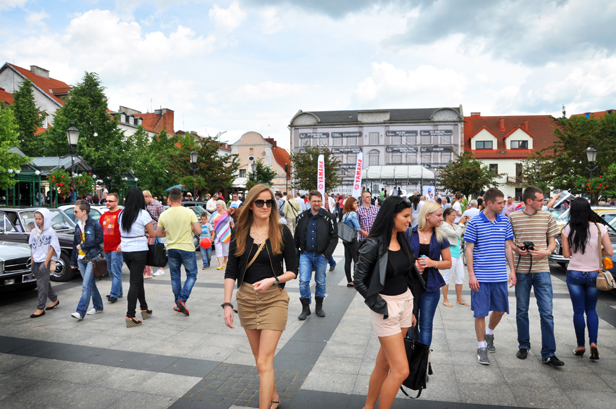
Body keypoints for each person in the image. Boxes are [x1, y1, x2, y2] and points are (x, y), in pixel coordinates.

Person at [223, 184, 298, 409]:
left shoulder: (282, 231)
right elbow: (231, 271)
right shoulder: (240, 232)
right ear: (250, 205)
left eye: (269, 202)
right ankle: (273, 397)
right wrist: (227, 304)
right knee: (260, 361)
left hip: (274, 299)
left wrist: (273, 280)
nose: (265, 206)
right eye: (260, 202)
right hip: (246, 299)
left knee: (264, 361)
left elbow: (293, 270)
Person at [354, 197, 425, 409]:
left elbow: (404, 275)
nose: (409, 220)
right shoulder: (373, 244)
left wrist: (409, 308)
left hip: (405, 304)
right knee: (401, 370)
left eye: (409, 215)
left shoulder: (402, 239)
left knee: (384, 363)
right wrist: (380, 306)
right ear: (390, 217)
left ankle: (368, 407)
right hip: (386, 308)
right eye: (405, 216)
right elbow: (359, 280)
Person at [508, 186, 563, 366]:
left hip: (542, 270)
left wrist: (545, 252)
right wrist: (517, 249)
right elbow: (508, 242)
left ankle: (549, 352)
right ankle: (523, 345)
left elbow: (553, 243)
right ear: (529, 201)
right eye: (540, 200)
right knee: (522, 310)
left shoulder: (547, 216)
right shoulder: (513, 218)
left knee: (547, 312)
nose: (544, 202)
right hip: (522, 270)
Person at [464, 188, 516, 365]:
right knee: (480, 312)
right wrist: (471, 274)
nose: (504, 205)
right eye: (500, 203)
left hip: (500, 274)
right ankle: (481, 347)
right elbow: (469, 249)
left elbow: (507, 246)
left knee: (500, 309)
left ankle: (490, 332)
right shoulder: (474, 222)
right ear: (488, 203)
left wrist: (513, 271)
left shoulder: (505, 221)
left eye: (503, 202)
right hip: (481, 275)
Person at [561, 198, 613, 360]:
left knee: (578, 310)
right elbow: (610, 251)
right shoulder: (599, 228)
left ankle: (580, 345)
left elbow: (566, 255)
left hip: (575, 273)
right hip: (593, 274)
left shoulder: (567, 228)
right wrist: (597, 253)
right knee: (591, 309)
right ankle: (594, 343)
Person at [407, 201, 452, 346]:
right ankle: (411, 359)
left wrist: (433, 263)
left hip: (430, 287)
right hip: (409, 288)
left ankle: (423, 360)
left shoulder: (441, 237)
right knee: (409, 324)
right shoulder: (408, 234)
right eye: (438, 215)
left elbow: (448, 262)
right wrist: (411, 264)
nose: (442, 218)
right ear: (427, 216)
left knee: (426, 326)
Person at [156, 187, 202, 316]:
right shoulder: (189, 212)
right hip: (187, 247)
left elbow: (158, 234)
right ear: (181, 198)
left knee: (175, 277)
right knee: (192, 275)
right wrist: (189, 229)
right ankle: (182, 299)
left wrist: (170, 231)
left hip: (171, 248)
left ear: (169, 199)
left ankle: (178, 302)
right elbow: (198, 231)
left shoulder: (164, 214)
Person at [294, 190, 338, 320]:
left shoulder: (329, 217)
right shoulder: (301, 217)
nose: (317, 203)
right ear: (309, 202)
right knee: (303, 281)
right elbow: (296, 237)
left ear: (321, 201)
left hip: (321, 255)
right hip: (305, 254)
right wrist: (296, 256)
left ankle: (319, 307)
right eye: (314, 201)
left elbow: (334, 237)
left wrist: (327, 254)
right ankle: (305, 308)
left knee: (320, 281)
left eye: (319, 201)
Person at [118, 188, 155, 327]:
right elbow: (152, 234)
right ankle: (130, 315)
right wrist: (144, 233)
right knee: (135, 282)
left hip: (126, 251)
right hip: (139, 250)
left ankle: (144, 308)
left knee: (138, 279)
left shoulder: (122, 214)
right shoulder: (143, 214)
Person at [70, 200, 105, 321]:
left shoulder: (95, 224)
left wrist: (84, 245)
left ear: (84, 211)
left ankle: (80, 311)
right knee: (90, 284)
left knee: (86, 286)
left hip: (92, 258)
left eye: (76, 211)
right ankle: (98, 306)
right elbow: (75, 243)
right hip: (80, 259)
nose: (74, 213)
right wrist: (73, 261)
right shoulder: (77, 225)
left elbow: (100, 239)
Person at [28, 208, 61, 318]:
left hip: (44, 261)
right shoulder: (34, 231)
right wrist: (32, 260)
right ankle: (54, 299)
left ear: (45, 218)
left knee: (41, 285)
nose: (37, 221)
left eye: (40, 219)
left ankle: (40, 308)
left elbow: (53, 247)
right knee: (43, 282)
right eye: (36, 219)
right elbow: (32, 246)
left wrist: (47, 261)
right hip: (36, 261)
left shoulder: (50, 231)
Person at [440, 209, 469, 307]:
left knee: (460, 277)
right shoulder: (443, 226)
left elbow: (464, 232)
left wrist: (467, 222)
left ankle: (459, 299)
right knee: (447, 277)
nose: (455, 217)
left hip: (458, 254)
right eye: (453, 215)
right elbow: (455, 234)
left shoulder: (455, 225)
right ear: (447, 215)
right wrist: (461, 223)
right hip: (450, 254)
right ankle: (445, 299)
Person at [99, 193, 123, 303]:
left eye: (110, 201)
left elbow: (126, 231)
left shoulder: (121, 214)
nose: (107, 203)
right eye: (106, 201)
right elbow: (99, 232)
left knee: (115, 271)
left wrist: (122, 244)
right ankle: (119, 292)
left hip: (117, 248)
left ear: (117, 202)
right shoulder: (103, 215)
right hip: (107, 248)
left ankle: (114, 295)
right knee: (110, 271)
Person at [143, 190, 165, 278]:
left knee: (158, 249)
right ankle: (150, 269)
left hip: (156, 230)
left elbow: (163, 218)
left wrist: (160, 230)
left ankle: (161, 268)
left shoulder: (158, 205)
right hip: (148, 231)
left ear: (148, 196)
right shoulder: (145, 206)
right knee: (150, 250)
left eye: (144, 198)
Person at [341, 197, 361, 287]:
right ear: (351, 204)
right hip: (352, 240)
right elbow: (357, 227)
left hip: (346, 240)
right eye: (355, 203)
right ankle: (357, 280)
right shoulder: (353, 214)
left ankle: (349, 281)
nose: (357, 204)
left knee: (347, 261)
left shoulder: (345, 214)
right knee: (356, 260)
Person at [210, 200, 233, 269]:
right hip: (217, 235)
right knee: (218, 250)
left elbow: (232, 223)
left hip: (226, 235)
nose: (217, 206)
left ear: (223, 205)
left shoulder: (228, 213)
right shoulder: (214, 214)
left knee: (226, 250)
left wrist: (234, 231)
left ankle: (225, 261)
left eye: (219, 204)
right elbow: (209, 223)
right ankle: (220, 264)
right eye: (217, 205)